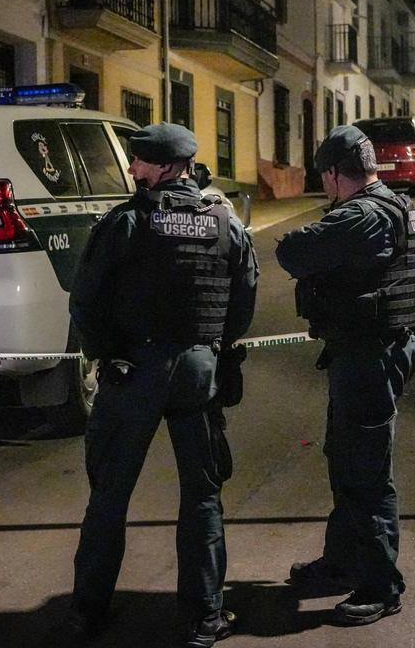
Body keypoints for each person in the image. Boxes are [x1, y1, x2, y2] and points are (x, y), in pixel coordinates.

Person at [68, 122, 258, 647]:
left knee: (109, 494)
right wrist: (214, 346)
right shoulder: (224, 222)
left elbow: (85, 299)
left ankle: (86, 614)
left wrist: (107, 352)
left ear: (166, 167)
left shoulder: (126, 222)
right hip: (199, 370)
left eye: (140, 161)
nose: (132, 169)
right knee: (202, 497)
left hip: (134, 370)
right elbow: (243, 300)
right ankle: (204, 617)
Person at [274, 125, 415, 627]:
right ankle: (342, 562)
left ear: (336, 174)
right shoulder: (391, 204)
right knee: (345, 459)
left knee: (366, 473)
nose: (324, 187)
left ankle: (380, 586)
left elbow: (292, 252)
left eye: (325, 178)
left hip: (369, 356)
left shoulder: (363, 215)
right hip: (368, 350)